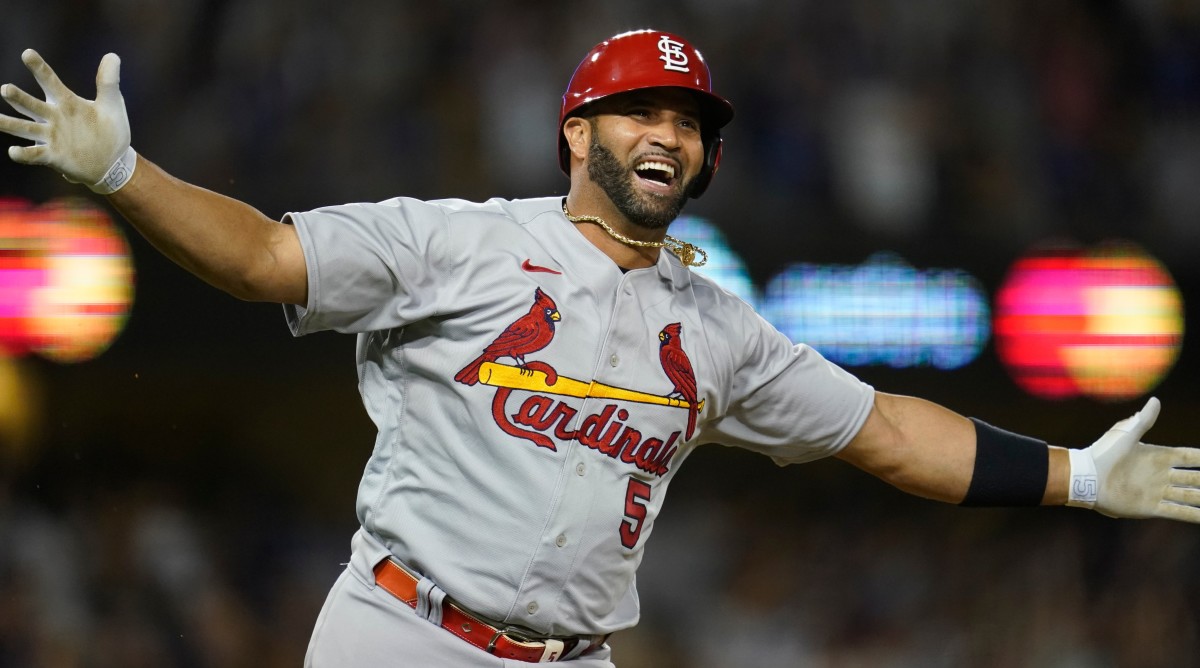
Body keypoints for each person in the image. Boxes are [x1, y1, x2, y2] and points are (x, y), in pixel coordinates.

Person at [2, 29, 1198, 667]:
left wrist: (1079, 475)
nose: (668, 133)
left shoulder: (719, 326)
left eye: (688, 120)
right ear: (579, 129)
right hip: (402, 635)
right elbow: (263, 257)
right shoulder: (456, 245)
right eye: (641, 112)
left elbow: (885, 430)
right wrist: (122, 172)